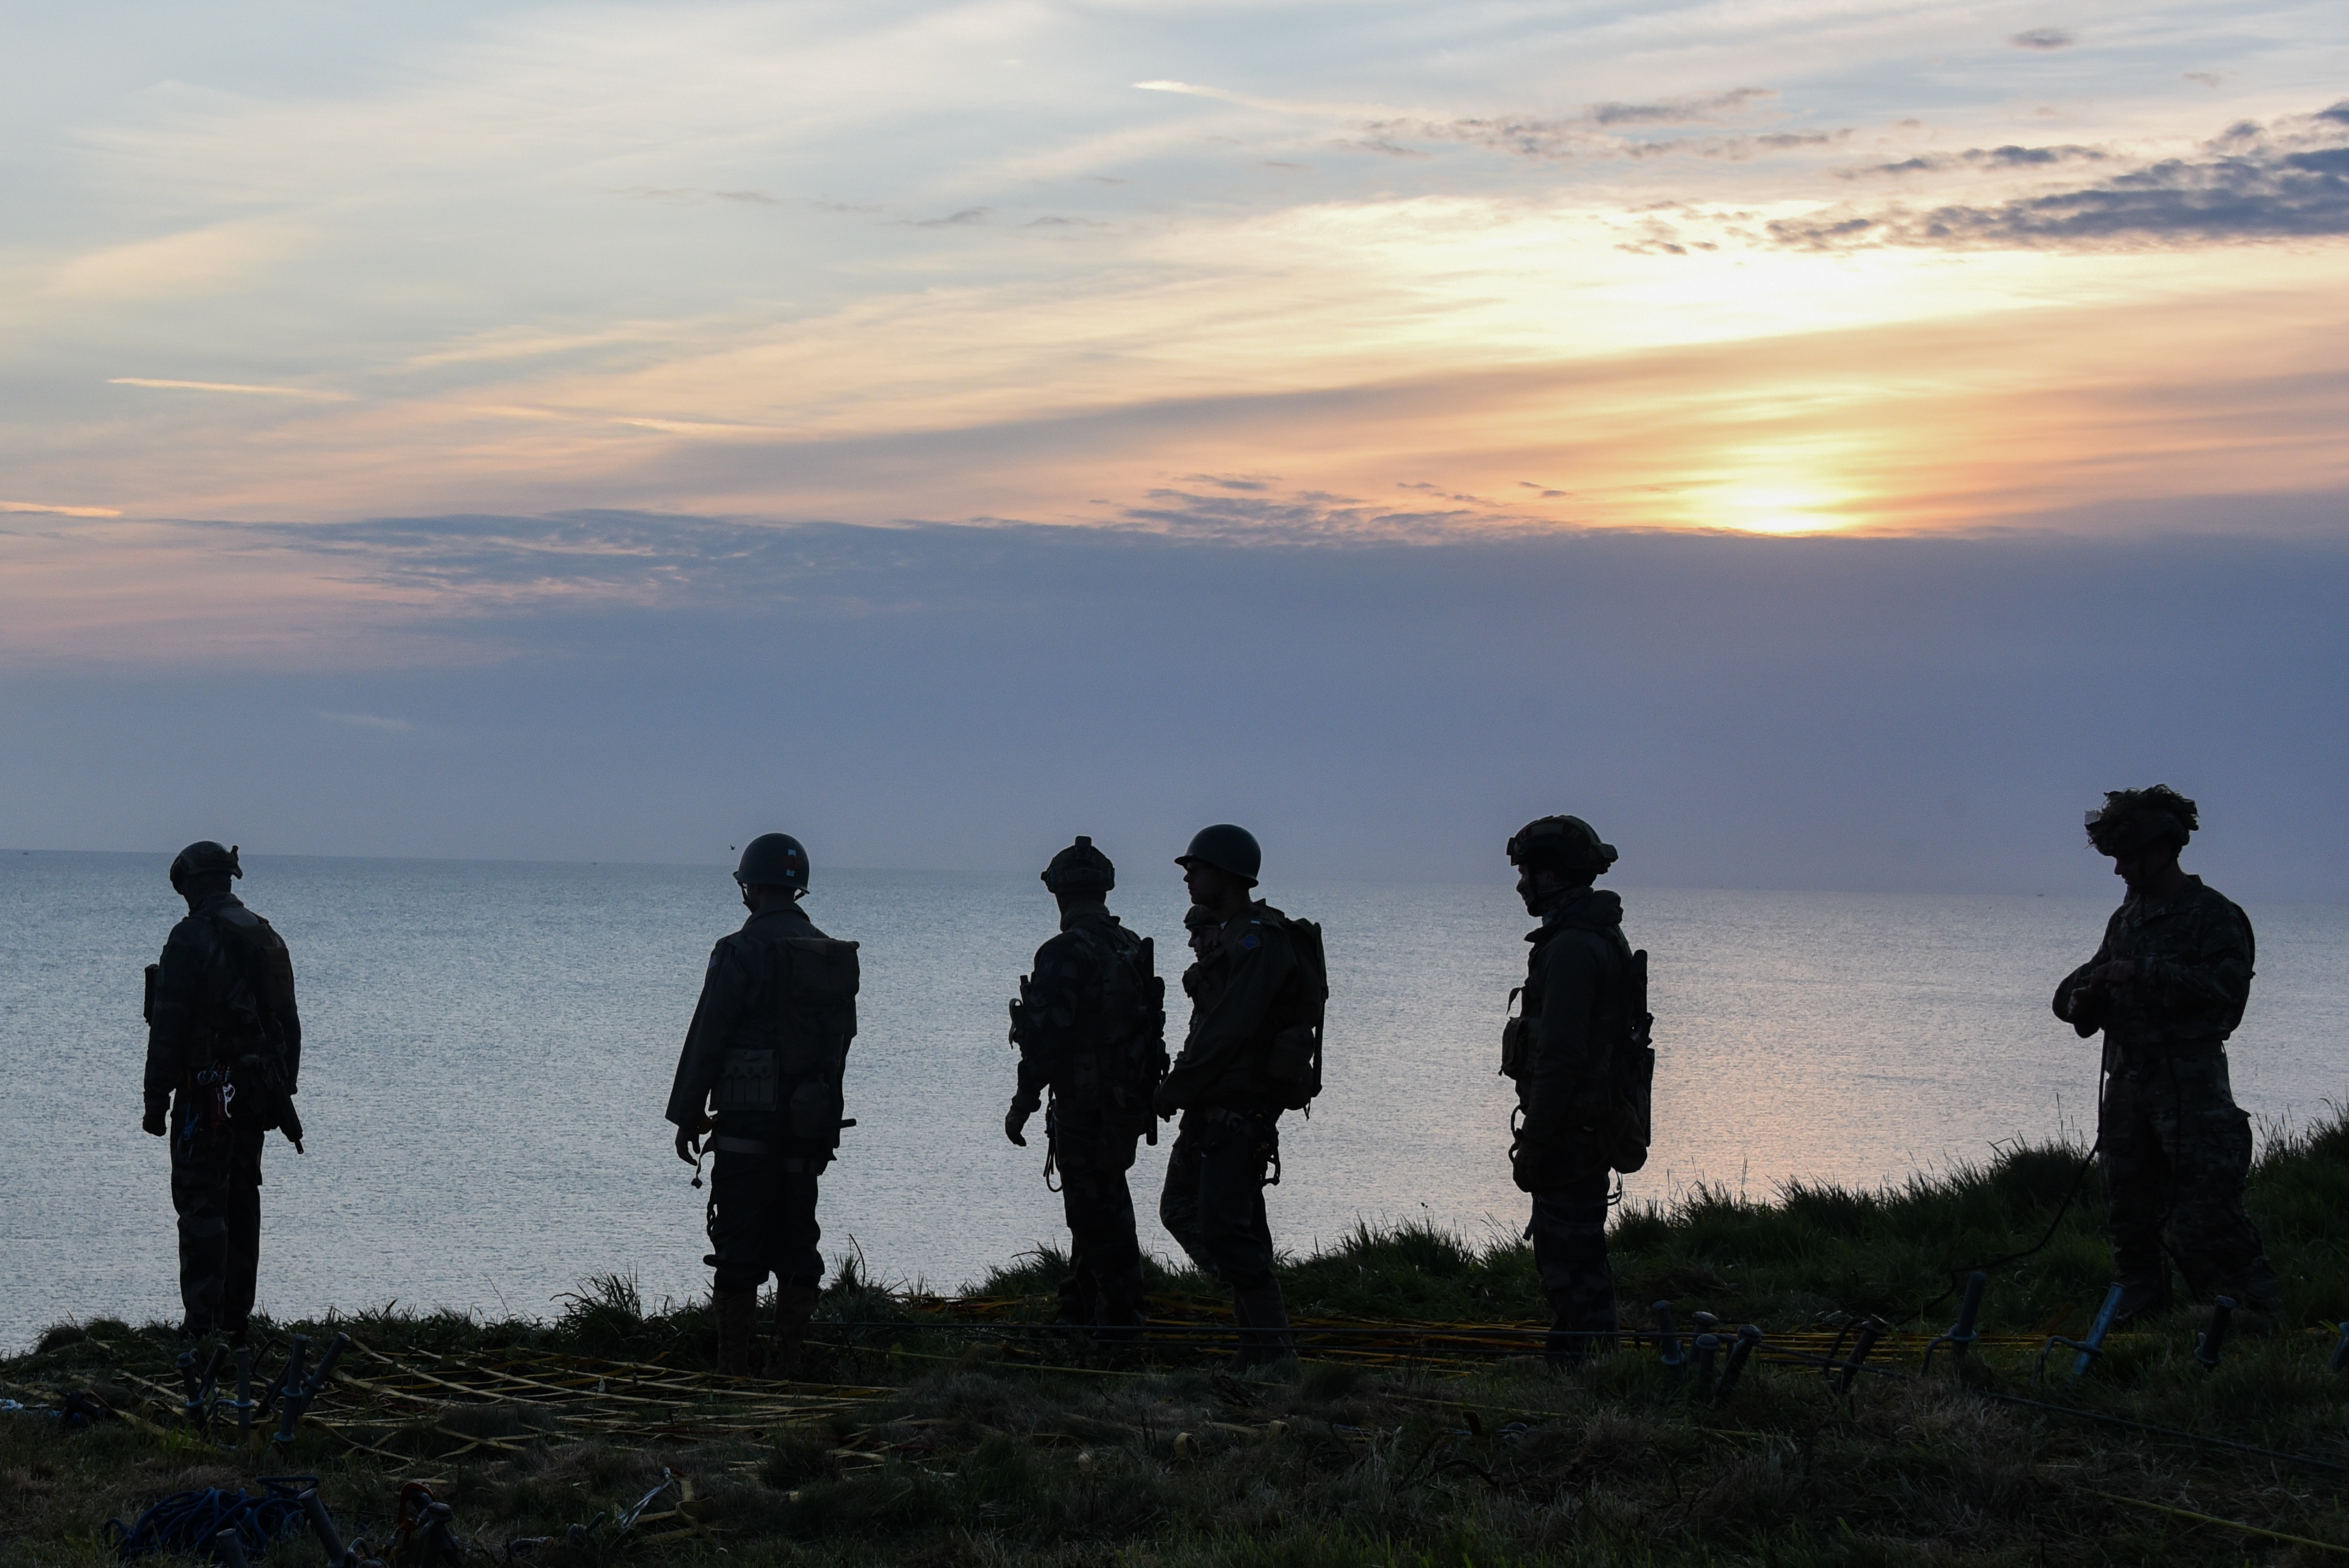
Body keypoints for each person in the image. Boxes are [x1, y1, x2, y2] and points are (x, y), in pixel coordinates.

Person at [2055, 786, 2282, 1324]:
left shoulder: (2215, 916)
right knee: (2127, 1211)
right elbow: (2071, 990)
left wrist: (2145, 973)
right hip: (2129, 1087)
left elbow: (2226, 1000)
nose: (2119, 871)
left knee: (2207, 1213)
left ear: (2165, 850)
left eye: (2128, 858)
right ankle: (2142, 1314)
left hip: (2192, 1089)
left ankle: (2248, 1319)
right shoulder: (2126, 917)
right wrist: (2086, 998)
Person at [668, 834, 861, 1376]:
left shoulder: (738, 950)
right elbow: (840, 1044)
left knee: (737, 1249)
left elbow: (708, 1035)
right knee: (799, 1243)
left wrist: (686, 1113)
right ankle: (791, 1363)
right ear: (797, 889)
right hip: (808, 1129)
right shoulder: (829, 953)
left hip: (744, 1132)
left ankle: (734, 1370)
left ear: (749, 887)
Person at [1154, 824, 1326, 1366]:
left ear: (1226, 875)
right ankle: (1257, 1347)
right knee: (1206, 1221)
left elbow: (1229, 1027)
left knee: (1232, 1235)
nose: (1188, 878)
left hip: (1238, 1113)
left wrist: (1173, 1088)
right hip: (1215, 1108)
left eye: (1196, 870)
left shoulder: (1257, 938)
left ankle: (1273, 1358)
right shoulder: (1233, 936)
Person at [1502, 814, 1651, 1366]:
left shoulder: (1570, 948)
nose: (1520, 884)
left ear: (1554, 875)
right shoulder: (1590, 935)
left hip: (1573, 1132)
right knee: (1574, 1255)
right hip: (1589, 1126)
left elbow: (1560, 1058)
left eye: (1528, 872)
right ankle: (1578, 1364)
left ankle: (1584, 1372)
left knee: (1568, 1259)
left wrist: (1534, 1141)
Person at [1003, 836, 1166, 1337]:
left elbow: (1047, 1039)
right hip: (1124, 1102)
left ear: (1059, 894)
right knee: (1099, 1203)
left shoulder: (1064, 951)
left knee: (1097, 1213)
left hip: (1087, 1105)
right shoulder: (1127, 944)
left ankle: (1119, 1325)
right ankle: (1080, 1308)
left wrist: (1023, 1102)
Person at [142, 841, 304, 1348]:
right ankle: (235, 1320)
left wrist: (155, 1098)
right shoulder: (263, 933)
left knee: (201, 1205)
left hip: (206, 1095)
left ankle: (202, 1326)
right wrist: (283, 1087)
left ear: (193, 883)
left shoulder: (190, 938)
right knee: (241, 1200)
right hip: (253, 1095)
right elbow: (290, 1021)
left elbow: (168, 1026)